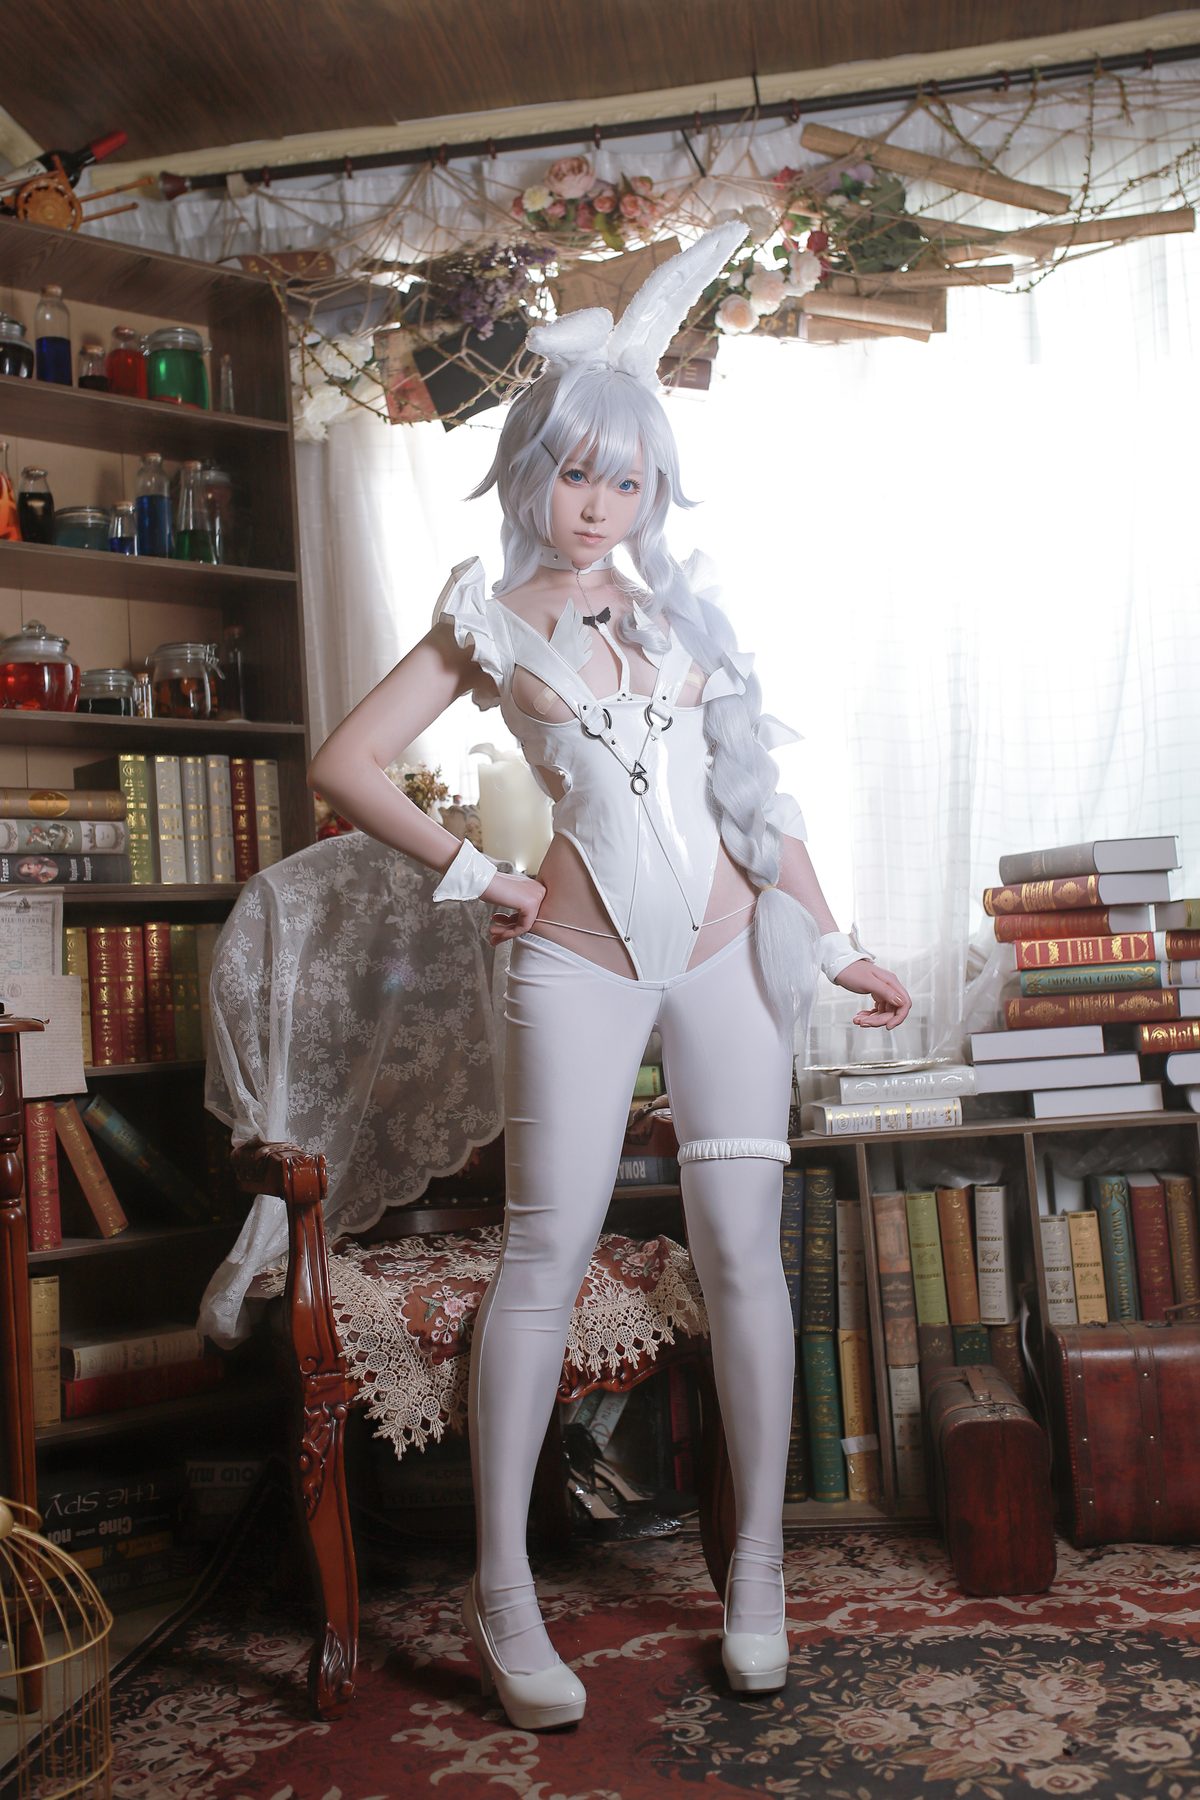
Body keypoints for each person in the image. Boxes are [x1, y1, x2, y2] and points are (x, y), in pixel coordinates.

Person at [306, 223, 912, 1732]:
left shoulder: (684, 613)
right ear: (534, 471)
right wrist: (484, 877)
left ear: (655, 489)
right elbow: (347, 762)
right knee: (546, 1256)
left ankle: (755, 1575)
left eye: (627, 481)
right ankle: (504, 1595)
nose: (600, 504)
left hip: (730, 960)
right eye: (578, 473)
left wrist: (835, 940)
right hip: (575, 961)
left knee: (744, 1254)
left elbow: (753, 800)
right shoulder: (484, 616)